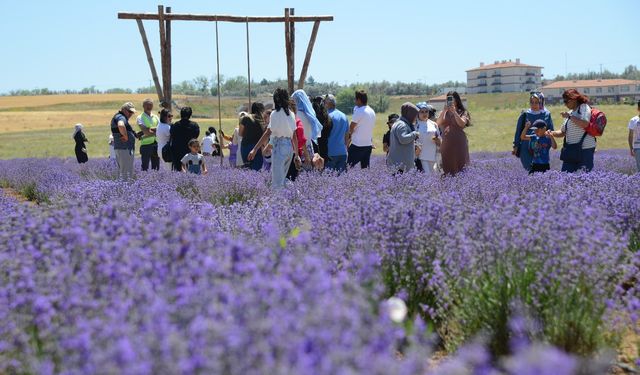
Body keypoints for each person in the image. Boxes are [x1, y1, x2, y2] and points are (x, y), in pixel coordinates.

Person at [248, 88, 301, 190]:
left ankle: (279, 203)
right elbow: (294, 136)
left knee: (277, 183)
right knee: (282, 179)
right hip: (289, 148)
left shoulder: (275, 114)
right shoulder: (291, 114)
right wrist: (297, 155)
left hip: (279, 147)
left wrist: (255, 149)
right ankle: (290, 200)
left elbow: (268, 133)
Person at [548, 89, 594, 172]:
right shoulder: (570, 112)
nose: (565, 104)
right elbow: (563, 132)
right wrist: (552, 133)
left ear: (574, 99)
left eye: (566, 101)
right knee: (566, 177)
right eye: (564, 101)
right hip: (571, 150)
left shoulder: (583, 107)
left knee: (584, 178)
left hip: (585, 149)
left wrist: (569, 117)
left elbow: (585, 123)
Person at [513, 92, 554, 170]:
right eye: (531, 102)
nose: (533, 105)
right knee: (529, 170)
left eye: (536, 102)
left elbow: (551, 130)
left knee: (541, 171)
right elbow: (518, 131)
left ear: (541, 102)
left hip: (541, 148)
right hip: (526, 147)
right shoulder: (525, 114)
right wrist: (516, 146)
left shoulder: (547, 114)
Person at [437, 91, 471, 176]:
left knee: (461, 164)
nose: (451, 101)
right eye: (449, 99)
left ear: (457, 100)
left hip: (459, 142)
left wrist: (454, 112)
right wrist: (444, 111)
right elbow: (438, 122)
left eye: (452, 98)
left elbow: (462, 123)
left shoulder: (463, 112)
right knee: (446, 165)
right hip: (446, 143)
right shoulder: (444, 112)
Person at [386, 103, 420, 173]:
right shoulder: (402, 125)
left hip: (398, 164)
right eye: (415, 115)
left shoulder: (399, 123)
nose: (416, 118)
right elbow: (403, 139)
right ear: (410, 114)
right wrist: (414, 134)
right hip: (400, 166)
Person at [347, 90, 376, 169]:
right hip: (368, 145)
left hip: (357, 145)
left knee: (347, 166)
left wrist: (347, 143)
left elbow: (351, 128)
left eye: (355, 99)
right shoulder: (372, 111)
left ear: (359, 100)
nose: (355, 101)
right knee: (365, 169)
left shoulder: (359, 111)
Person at [110, 102, 137, 180]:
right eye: (130, 112)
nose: (131, 114)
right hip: (124, 148)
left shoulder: (119, 117)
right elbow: (121, 125)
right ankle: (126, 189)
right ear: (124, 110)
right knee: (126, 172)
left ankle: (122, 189)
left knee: (123, 171)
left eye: (132, 112)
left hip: (122, 148)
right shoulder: (121, 117)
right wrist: (125, 136)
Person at [324, 94, 349, 173]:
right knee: (340, 182)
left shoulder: (327, 116)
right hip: (342, 152)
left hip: (330, 152)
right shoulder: (344, 116)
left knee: (328, 180)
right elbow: (347, 135)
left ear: (327, 103)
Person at [170, 106, 200, 172]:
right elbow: (196, 136)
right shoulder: (194, 126)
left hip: (177, 153)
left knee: (179, 172)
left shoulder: (175, 125)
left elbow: (172, 135)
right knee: (191, 172)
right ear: (190, 115)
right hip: (190, 152)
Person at [415, 103, 441, 175]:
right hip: (420, 156)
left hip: (432, 155)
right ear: (417, 113)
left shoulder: (433, 124)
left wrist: (437, 140)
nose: (424, 114)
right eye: (422, 112)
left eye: (426, 111)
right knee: (426, 176)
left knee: (433, 177)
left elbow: (439, 139)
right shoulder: (415, 124)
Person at [136, 98, 160, 171]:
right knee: (144, 168)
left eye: (151, 105)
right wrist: (154, 131)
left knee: (156, 168)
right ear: (143, 106)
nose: (149, 107)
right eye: (147, 105)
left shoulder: (156, 117)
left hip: (156, 144)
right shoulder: (140, 117)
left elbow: (160, 129)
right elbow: (146, 131)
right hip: (146, 145)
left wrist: (149, 129)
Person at [240, 102, 265, 171]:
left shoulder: (245, 118)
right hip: (258, 147)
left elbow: (240, 133)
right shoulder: (262, 121)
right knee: (257, 170)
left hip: (245, 146)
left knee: (247, 168)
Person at [627, 100, 640, 172]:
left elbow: (630, 136)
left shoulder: (633, 120)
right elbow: (630, 136)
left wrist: (631, 148)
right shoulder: (633, 120)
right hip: (638, 148)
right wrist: (631, 148)